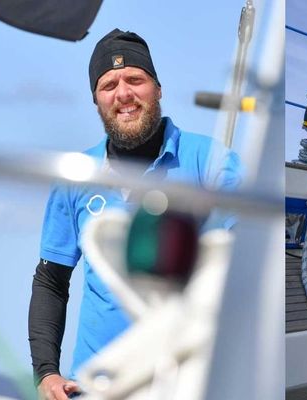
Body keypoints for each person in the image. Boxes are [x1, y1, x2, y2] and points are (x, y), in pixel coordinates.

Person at [28, 29, 241, 399]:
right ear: (96, 100)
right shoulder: (75, 175)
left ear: (158, 88)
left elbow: (246, 264)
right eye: (108, 84)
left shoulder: (211, 162)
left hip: (186, 386)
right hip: (95, 387)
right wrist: (46, 372)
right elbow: (51, 280)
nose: (123, 93)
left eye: (135, 79)